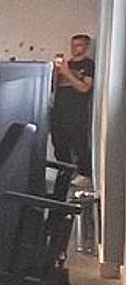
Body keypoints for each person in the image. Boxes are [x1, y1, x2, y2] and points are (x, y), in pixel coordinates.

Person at [50, 31, 96, 184]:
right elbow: (54, 88)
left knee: (78, 141)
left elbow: (84, 88)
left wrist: (67, 73)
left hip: (76, 110)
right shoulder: (66, 64)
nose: (75, 48)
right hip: (60, 109)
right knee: (59, 141)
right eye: (73, 45)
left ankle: (84, 173)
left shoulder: (88, 65)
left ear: (86, 46)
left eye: (79, 45)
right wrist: (56, 72)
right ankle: (65, 171)